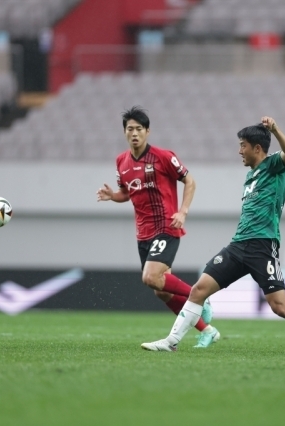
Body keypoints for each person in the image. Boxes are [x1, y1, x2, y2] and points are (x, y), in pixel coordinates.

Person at [141, 117, 285, 354]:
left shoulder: (273, 165)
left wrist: (275, 129)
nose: (239, 151)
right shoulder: (251, 174)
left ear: (257, 148)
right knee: (199, 290)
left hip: (263, 246)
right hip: (238, 245)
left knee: (281, 307)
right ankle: (171, 341)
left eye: (243, 145)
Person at [96, 106, 219, 348]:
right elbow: (127, 193)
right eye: (130, 129)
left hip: (166, 225)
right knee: (161, 290)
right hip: (143, 233)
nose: (134, 133)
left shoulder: (163, 157)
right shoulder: (121, 161)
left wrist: (182, 212)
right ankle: (207, 331)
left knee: (150, 277)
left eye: (139, 129)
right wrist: (113, 196)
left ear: (147, 131)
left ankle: (201, 299)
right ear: (124, 133)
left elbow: (190, 181)